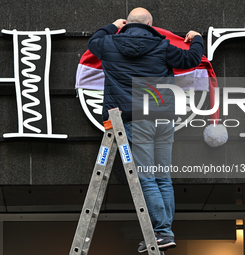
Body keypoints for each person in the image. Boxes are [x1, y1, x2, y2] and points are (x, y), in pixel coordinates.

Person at [87, 7, 204, 253]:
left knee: (146, 178)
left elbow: (93, 42)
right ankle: (164, 231)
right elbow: (190, 59)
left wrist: (112, 25)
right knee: (162, 177)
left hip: (132, 120)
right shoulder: (162, 46)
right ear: (150, 23)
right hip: (162, 118)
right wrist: (197, 39)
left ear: (126, 24)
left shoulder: (108, 43)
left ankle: (161, 231)